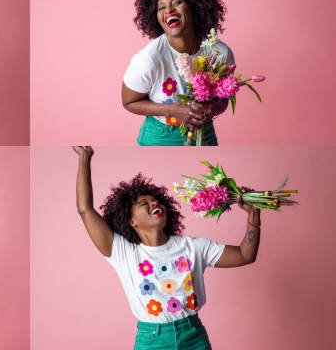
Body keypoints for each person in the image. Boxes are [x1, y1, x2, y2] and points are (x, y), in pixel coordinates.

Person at [73, 146, 261, 349]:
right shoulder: (123, 253)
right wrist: (85, 157)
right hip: (152, 341)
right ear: (131, 220)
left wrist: (253, 215)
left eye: (156, 201)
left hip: (193, 337)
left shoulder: (193, 247)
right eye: (144, 203)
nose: (154, 203)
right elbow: (85, 209)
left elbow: (245, 254)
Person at [122, 0, 234, 146]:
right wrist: (172, 110)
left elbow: (223, 100)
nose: (168, 11)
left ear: (195, 6)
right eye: (161, 7)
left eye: (177, 2)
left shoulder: (220, 53)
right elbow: (128, 102)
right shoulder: (149, 59)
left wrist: (210, 109)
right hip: (160, 135)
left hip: (204, 132)